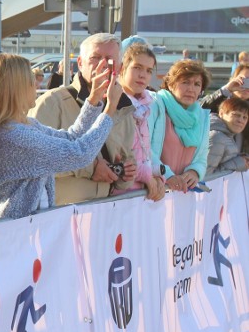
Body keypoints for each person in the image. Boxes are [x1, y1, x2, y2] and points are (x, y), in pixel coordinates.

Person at [0, 53, 118, 220]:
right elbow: (79, 154)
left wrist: (93, 99)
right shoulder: (12, 136)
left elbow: (71, 138)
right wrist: (109, 110)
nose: (36, 85)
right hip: (19, 235)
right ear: (16, 89)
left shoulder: (24, 125)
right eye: (30, 81)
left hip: (28, 231)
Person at [30, 33, 137, 205]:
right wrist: (90, 168)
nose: (103, 65)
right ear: (80, 63)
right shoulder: (52, 102)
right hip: (58, 217)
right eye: (95, 58)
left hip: (105, 215)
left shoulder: (124, 108)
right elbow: (34, 159)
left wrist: (125, 173)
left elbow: (128, 159)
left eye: (109, 59)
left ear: (120, 67)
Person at [112, 43, 166, 201]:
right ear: (122, 68)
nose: (143, 75)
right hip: (118, 195)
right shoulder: (113, 103)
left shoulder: (145, 106)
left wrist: (159, 179)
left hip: (140, 194)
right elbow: (117, 154)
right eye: (137, 67)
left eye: (149, 71)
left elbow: (145, 151)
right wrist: (148, 176)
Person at [149, 60, 212, 193]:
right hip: (155, 189)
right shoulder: (155, 105)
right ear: (171, 84)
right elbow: (144, 149)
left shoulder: (201, 116)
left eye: (197, 84)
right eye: (185, 82)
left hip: (181, 195)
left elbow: (202, 157)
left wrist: (195, 172)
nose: (191, 89)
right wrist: (168, 175)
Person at [206, 97, 249, 175]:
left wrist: (241, 158)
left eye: (244, 117)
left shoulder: (228, 136)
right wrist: (237, 163)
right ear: (221, 113)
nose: (241, 120)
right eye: (236, 115)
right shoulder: (217, 137)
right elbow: (204, 176)